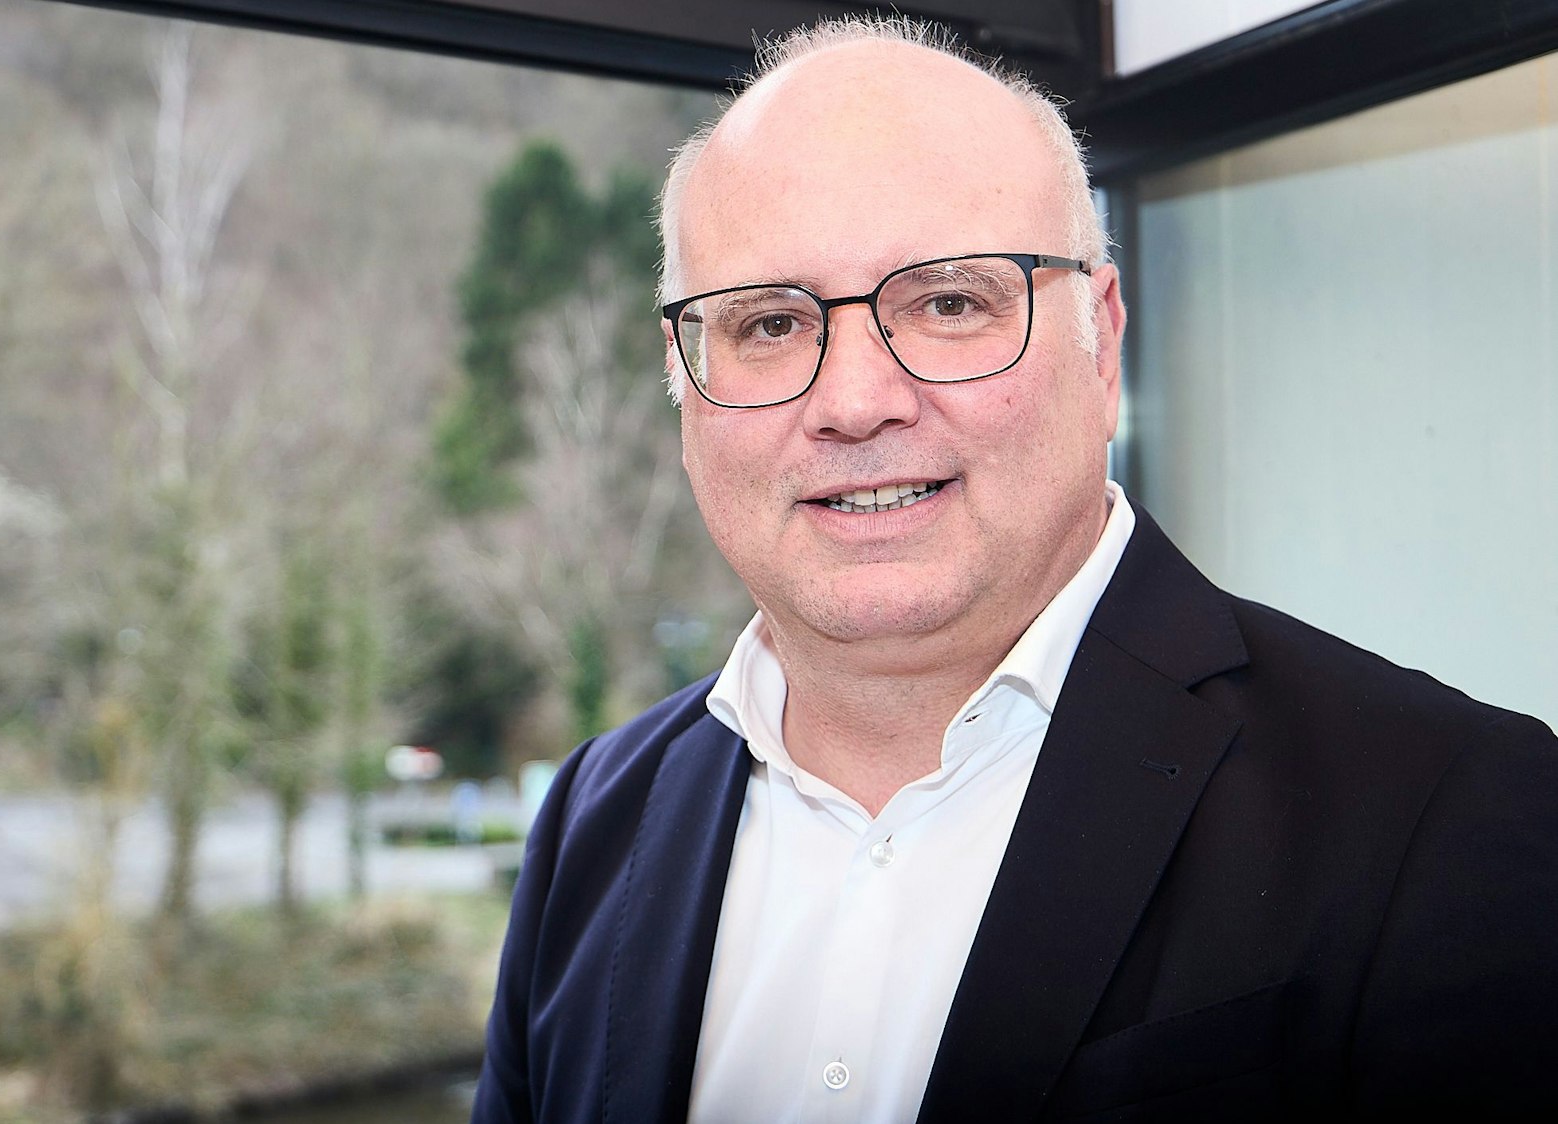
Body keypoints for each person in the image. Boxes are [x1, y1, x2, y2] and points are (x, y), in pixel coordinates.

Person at [471, 14, 1558, 1124]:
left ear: (1104, 342)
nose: (854, 401)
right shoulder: (591, 826)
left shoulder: (1447, 813)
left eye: (949, 303)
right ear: (684, 380)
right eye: (768, 323)